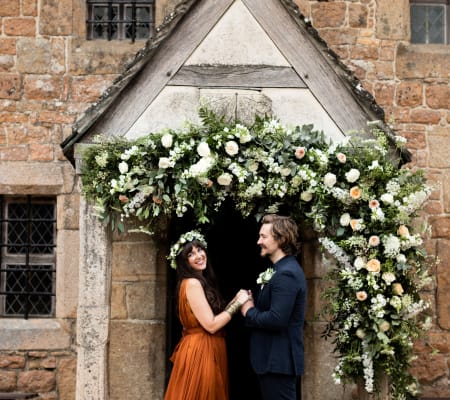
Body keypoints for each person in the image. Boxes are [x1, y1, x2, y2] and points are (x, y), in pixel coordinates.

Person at [164, 230, 250, 400]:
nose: (198, 255)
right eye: (191, 254)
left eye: (199, 250)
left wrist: (236, 300)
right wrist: (238, 304)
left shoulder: (193, 282)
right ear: (184, 262)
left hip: (202, 346)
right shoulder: (193, 283)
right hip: (201, 351)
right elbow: (211, 325)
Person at [241, 214, 307, 400]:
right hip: (272, 361)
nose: (258, 241)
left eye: (264, 237)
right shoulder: (279, 270)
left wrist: (248, 310)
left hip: (278, 362)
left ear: (281, 239)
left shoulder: (287, 273)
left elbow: (277, 319)